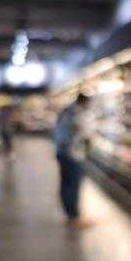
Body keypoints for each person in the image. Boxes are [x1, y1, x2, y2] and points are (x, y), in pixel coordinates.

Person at [54, 93, 91, 228]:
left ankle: (70, 214)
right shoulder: (75, 114)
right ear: (84, 102)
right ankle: (73, 217)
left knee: (66, 183)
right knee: (73, 185)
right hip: (71, 154)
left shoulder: (66, 111)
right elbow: (80, 134)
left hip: (61, 152)